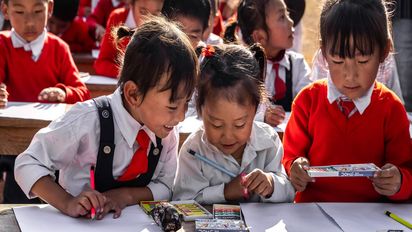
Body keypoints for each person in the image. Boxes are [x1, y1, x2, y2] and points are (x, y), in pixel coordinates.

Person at [15, 16, 197, 218]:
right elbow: (27, 163)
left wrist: (124, 196)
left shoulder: (167, 130)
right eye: (172, 106)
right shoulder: (87, 120)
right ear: (133, 94)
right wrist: (68, 202)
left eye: (187, 103)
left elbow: (166, 185)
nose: (181, 116)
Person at [282, 0, 412, 202]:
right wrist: (294, 168)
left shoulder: (391, 108)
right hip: (311, 215)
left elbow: (406, 172)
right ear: (324, 53)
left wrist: (398, 182)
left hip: (371, 220)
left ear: (384, 51)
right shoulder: (307, 102)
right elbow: (287, 160)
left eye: (362, 61)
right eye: (338, 61)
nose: (350, 75)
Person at [173, 44, 295, 204]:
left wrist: (272, 184)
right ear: (200, 111)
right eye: (216, 125)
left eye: (240, 125)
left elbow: (289, 192)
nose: (228, 136)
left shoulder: (268, 141)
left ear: (256, 110)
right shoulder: (193, 151)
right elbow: (182, 201)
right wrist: (224, 192)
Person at [0, 0, 90, 204]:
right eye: (20, 12)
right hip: (11, 138)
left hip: (51, 141)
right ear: (5, 11)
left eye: (38, 11)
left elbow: (83, 93)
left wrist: (62, 92)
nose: (29, 22)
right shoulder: (2, 44)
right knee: (18, 185)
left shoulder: (59, 48)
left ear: (50, 9)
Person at [224, 0, 311, 127]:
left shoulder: (297, 64)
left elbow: (309, 102)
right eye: (282, 17)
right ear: (260, 37)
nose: (291, 21)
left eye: (287, 14)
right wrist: (262, 115)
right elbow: (234, 107)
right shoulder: (243, 69)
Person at [94, 0, 164, 78]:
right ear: (131, 5)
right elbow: (101, 63)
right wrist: (128, 73)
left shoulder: (166, 26)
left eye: (155, 15)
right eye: (143, 12)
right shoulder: (118, 18)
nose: (148, 20)